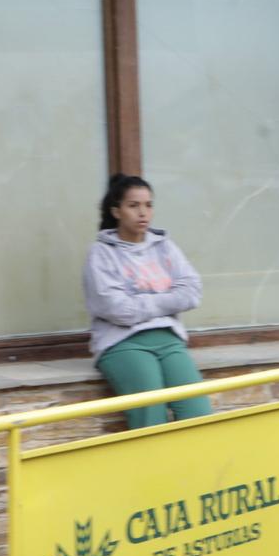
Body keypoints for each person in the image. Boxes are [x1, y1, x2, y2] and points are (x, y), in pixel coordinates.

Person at [85, 175, 213, 430]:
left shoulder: (165, 247)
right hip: (123, 343)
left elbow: (192, 291)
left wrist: (143, 303)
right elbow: (118, 309)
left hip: (169, 340)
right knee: (150, 418)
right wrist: (166, 301)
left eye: (148, 205)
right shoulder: (101, 254)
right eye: (133, 205)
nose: (143, 213)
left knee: (198, 412)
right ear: (116, 211)